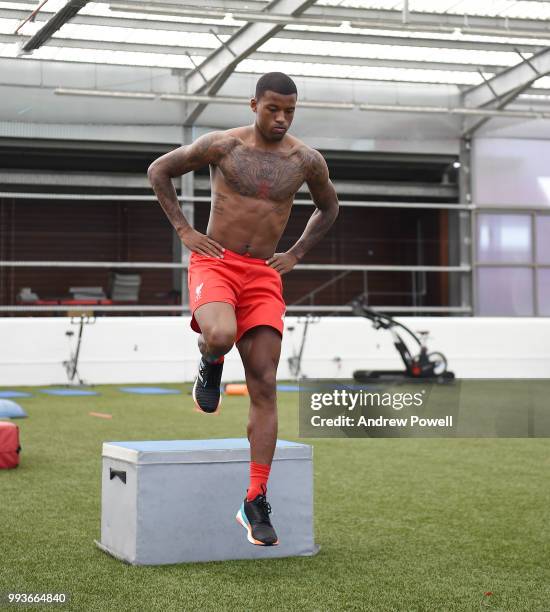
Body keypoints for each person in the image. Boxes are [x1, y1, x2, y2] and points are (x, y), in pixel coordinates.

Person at [147, 72, 339, 546]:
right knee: (220, 335)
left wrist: (294, 255)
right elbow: (159, 171)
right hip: (216, 260)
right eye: (273, 108)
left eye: (290, 111)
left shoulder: (306, 160)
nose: (281, 118)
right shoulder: (222, 146)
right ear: (253, 104)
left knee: (266, 381)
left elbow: (329, 207)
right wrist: (185, 232)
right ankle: (209, 362)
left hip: (262, 275)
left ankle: (254, 498)